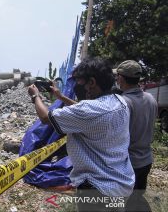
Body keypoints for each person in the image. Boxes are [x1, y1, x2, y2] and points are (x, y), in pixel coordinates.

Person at [28, 57, 135, 211]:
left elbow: (46, 118)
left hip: (98, 192)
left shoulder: (89, 111)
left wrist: (35, 96)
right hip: (121, 185)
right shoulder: (119, 101)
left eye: (80, 83)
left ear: (91, 82)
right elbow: (85, 110)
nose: (80, 87)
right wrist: (61, 97)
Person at [114, 60, 158, 212]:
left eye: (117, 76)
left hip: (128, 164)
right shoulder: (151, 99)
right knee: (136, 199)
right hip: (145, 160)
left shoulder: (123, 102)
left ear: (121, 78)